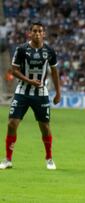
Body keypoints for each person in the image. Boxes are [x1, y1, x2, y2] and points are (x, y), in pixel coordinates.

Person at [0, 22, 61, 170]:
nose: (37, 34)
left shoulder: (50, 51)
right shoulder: (21, 49)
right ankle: (8, 159)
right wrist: (29, 81)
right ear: (29, 33)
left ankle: (49, 158)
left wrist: (58, 92)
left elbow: (54, 72)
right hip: (22, 92)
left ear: (44, 34)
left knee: (45, 127)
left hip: (41, 93)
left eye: (40, 31)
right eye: (34, 31)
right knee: (11, 124)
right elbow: (13, 70)